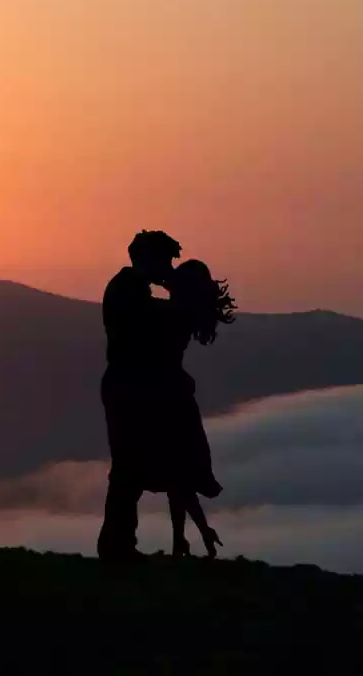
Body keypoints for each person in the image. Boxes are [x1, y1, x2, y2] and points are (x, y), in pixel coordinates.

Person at [96, 230, 181, 562]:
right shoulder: (128, 291)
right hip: (127, 386)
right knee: (127, 467)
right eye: (164, 261)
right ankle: (117, 546)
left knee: (129, 467)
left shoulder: (129, 289)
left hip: (129, 385)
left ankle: (119, 544)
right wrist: (180, 302)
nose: (167, 268)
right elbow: (149, 324)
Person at [150, 259, 236, 558]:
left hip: (166, 397)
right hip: (177, 396)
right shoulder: (185, 312)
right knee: (180, 472)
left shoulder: (171, 313)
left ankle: (184, 539)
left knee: (175, 471)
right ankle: (189, 537)